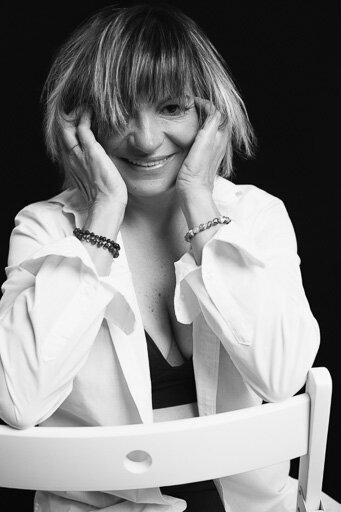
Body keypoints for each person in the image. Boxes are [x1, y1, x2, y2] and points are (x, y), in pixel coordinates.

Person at [0, 4, 338, 512]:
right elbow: (18, 402)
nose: (145, 138)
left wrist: (199, 200)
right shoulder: (44, 228)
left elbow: (282, 375)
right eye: (118, 112)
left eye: (172, 107)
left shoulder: (256, 216)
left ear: (212, 115)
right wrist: (102, 219)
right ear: (80, 125)